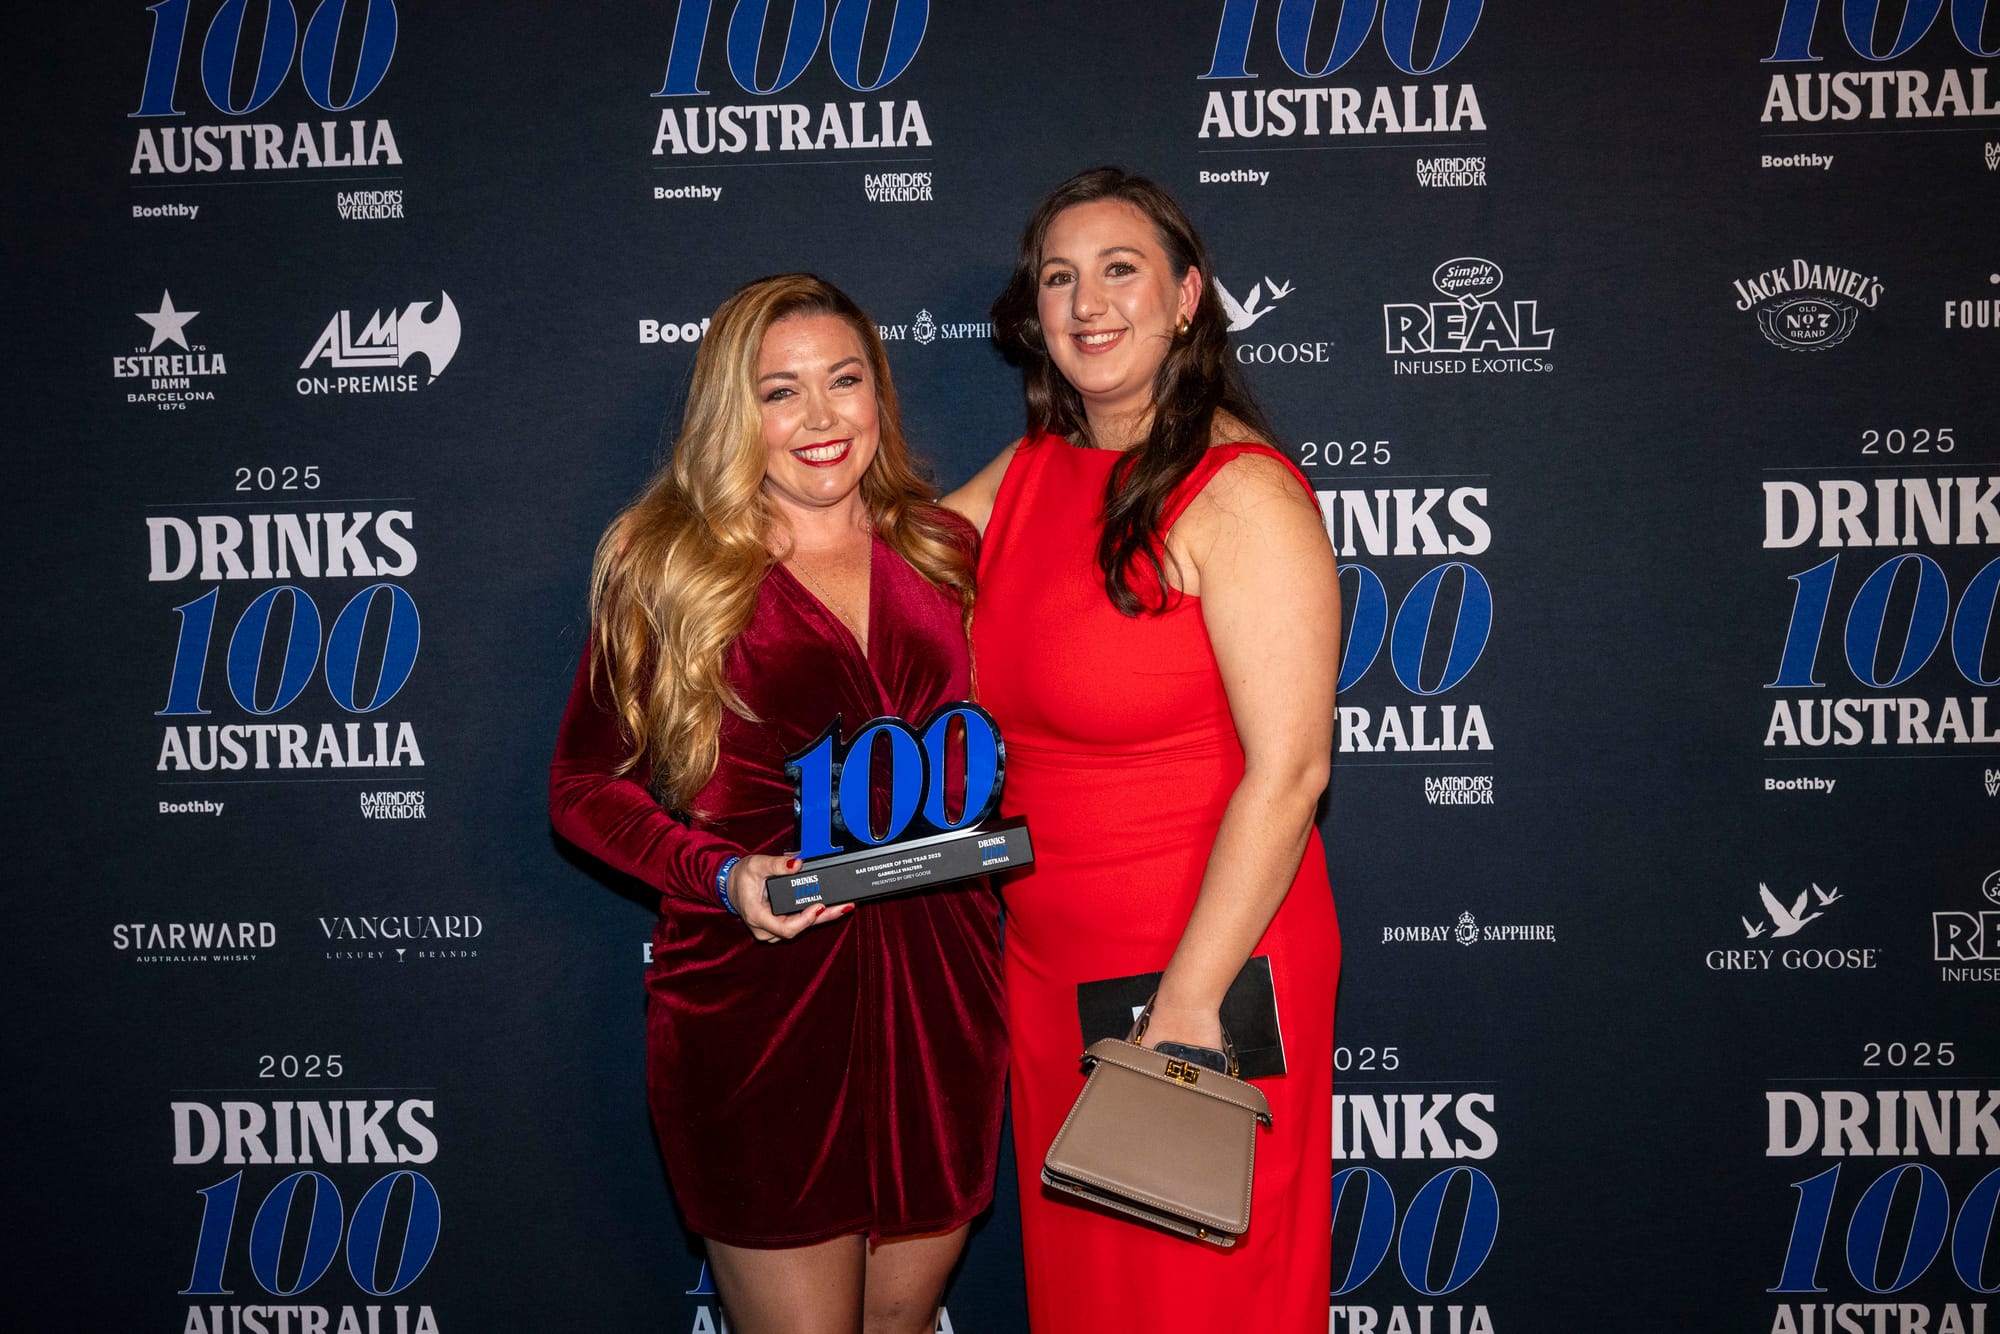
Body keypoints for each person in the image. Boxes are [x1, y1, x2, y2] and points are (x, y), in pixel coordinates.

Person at [550, 273, 1005, 1334]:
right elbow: (580, 788)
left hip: (941, 993)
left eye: (843, 380)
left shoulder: (940, 550)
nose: (818, 417)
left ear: (877, 395)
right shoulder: (666, 564)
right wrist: (722, 872)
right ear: (730, 409)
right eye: (778, 390)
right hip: (761, 1007)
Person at [946, 168, 1342, 1332]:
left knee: (1197, 1300)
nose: (1086, 301)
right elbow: (874, 561)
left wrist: (1185, 1001)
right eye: (1057, 277)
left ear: (1186, 297)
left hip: (1201, 970)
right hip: (1048, 970)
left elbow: (1292, 771)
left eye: (1120, 268)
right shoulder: (1028, 476)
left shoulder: (1243, 493)